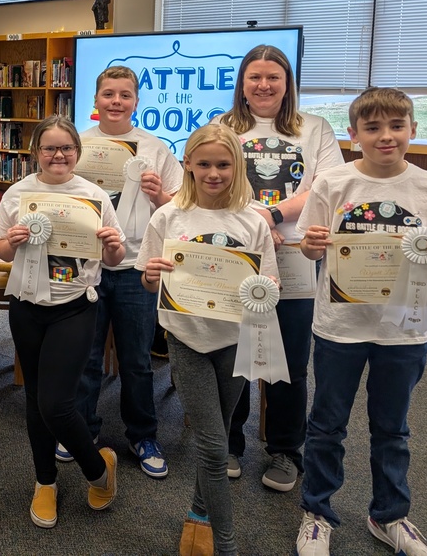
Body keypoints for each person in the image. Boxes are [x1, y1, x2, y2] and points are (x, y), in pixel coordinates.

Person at [293, 87, 427, 556]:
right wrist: (312, 245)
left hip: (403, 328)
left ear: (413, 131)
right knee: (326, 425)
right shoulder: (334, 184)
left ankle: (390, 516)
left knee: (393, 428)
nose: (386, 136)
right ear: (353, 134)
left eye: (396, 126)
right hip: (341, 324)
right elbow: (308, 247)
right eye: (373, 128)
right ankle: (318, 513)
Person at [137, 124, 278, 556]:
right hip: (186, 339)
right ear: (188, 166)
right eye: (204, 164)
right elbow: (147, 279)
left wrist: (266, 285)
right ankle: (228, 546)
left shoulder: (253, 220)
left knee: (218, 428)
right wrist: (151, 276)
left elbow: (271, 284)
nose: (214, 173)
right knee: (214, 447)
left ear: (237, 166)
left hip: (234, 340)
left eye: (223, 164)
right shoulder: (168, 216)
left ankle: (200, 511)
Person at [216, 45, 343, 490]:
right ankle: (230, 444)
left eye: (273, 77)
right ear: (242, 84)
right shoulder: (222, 127)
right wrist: (252, 225)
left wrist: (271, 216)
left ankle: (286, 451)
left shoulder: (316, 128)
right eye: (255, 77)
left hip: (293, 255)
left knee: (289, 359)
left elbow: (328, 188)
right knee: (232, 355)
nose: (264, 85)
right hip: (237, 254)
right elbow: (210, 181)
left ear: (287, 83)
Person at [0, 116, 124, 528]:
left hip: (74, 306)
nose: (58, 155)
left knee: (56, 403)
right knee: (35, 400)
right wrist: (9, 242)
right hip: (26, 305)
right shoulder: (18, 193)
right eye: (49, 148)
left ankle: (97, 470)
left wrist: (113, 246)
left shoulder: (95, 195)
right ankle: (44, 481)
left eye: (66, 148)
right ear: (35, 152)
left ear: (77, 152)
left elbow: (113, 260)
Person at [72, 65, 182, 478]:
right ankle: (82, 430)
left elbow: (179, 209)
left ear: (136, 101)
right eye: (108, 94)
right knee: (87, 357)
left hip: (137, 267)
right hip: (90, 265)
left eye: (124, 95)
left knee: (137, 359)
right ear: (96, 100)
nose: (116, 101)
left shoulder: (154, 148)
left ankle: (143, 434)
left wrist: (160, 195)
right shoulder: (79, 144)